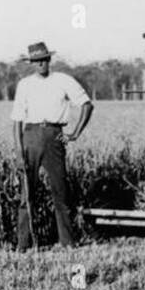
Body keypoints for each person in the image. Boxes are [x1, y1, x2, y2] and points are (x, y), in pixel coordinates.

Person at [11, 41, 93, 249]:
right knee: (27, 193)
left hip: (55, 135)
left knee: (60, 190)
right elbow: (17, 121)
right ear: (31, 63)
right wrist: (19, 153)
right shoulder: (25, 84)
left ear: (49, 60)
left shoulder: (63, 80)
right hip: (30, 136)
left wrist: (74, 133)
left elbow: (87, 105)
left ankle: (67, 242)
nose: (41, 64)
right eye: (36, 61)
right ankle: (23, 245)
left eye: (44, 60)